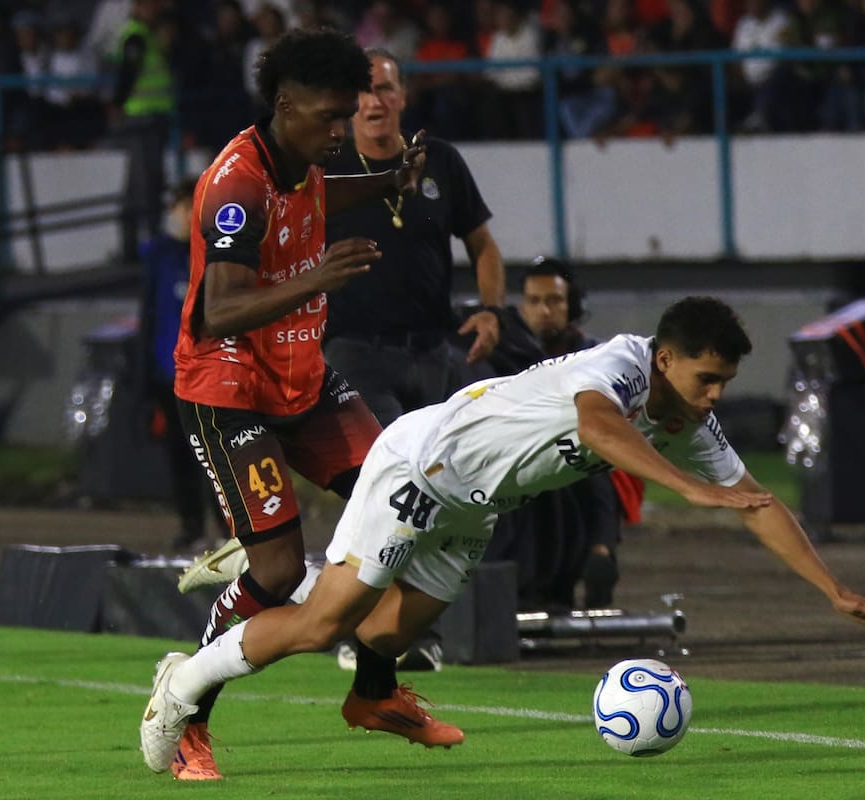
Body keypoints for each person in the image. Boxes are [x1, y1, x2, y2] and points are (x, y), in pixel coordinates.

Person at [141, 296, 865, 770]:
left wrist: (837, 591)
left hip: (476, 504)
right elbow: (598, 425)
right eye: (705, 379)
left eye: (725, 385)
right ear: (667, 356)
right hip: (422, 464)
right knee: (322, 628)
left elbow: (759, 503)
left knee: (389, 631)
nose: (712, 397)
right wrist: (684, 488)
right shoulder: (619, 366)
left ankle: (369, 698)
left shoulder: (689, 419)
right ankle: (182, 686)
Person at [154, 29, 458, 783]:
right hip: (228, 388)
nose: (339, 132)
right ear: (284, 105)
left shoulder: (304, 164)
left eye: (345, 115)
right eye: (328, 118)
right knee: (279, 569)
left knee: (411, 503)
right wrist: (318, 277)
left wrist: (380, 186)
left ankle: (376, 694)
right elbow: (219, 311)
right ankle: (188, 708)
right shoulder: (235, 183)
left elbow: (321, 193)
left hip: (302, 375)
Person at [323, 47, 505, 428]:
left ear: (403, 96)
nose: (375, 101)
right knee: (394, 465)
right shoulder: (326, 168)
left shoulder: (440, 159)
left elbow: (482, 244)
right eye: (363, 90)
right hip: (355, 351)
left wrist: (492, 311)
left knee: (443, 470)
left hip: (432, 350)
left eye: (386, 89)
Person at [483, 256, 627, 611]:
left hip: (579, 458)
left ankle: (598, 554)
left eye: (554, 301)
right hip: (518, 461)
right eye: (534, 301)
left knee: (598, 462)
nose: (544, 310)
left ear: (572, 304)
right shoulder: (501, 354)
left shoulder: (594, 357)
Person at [140, 178, 230, 552]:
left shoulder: (217, 254)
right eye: (178, 207)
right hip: (169, 375)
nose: (181, 215)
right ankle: (192, 528)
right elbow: (149, 315)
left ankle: (229, 531)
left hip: (208, 375)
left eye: (188, 206)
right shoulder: (159, 256)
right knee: (180, 456)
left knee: (218, 456)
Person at [110, 0, 174, 261]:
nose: (154, 9)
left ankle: (134, 246)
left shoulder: (146, 34)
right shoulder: (136, 34)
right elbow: (129, 71)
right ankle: (143, 247)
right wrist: (118, 104)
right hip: (141, 118)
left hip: (151, 118)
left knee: (141, 183)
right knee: (145, 184)